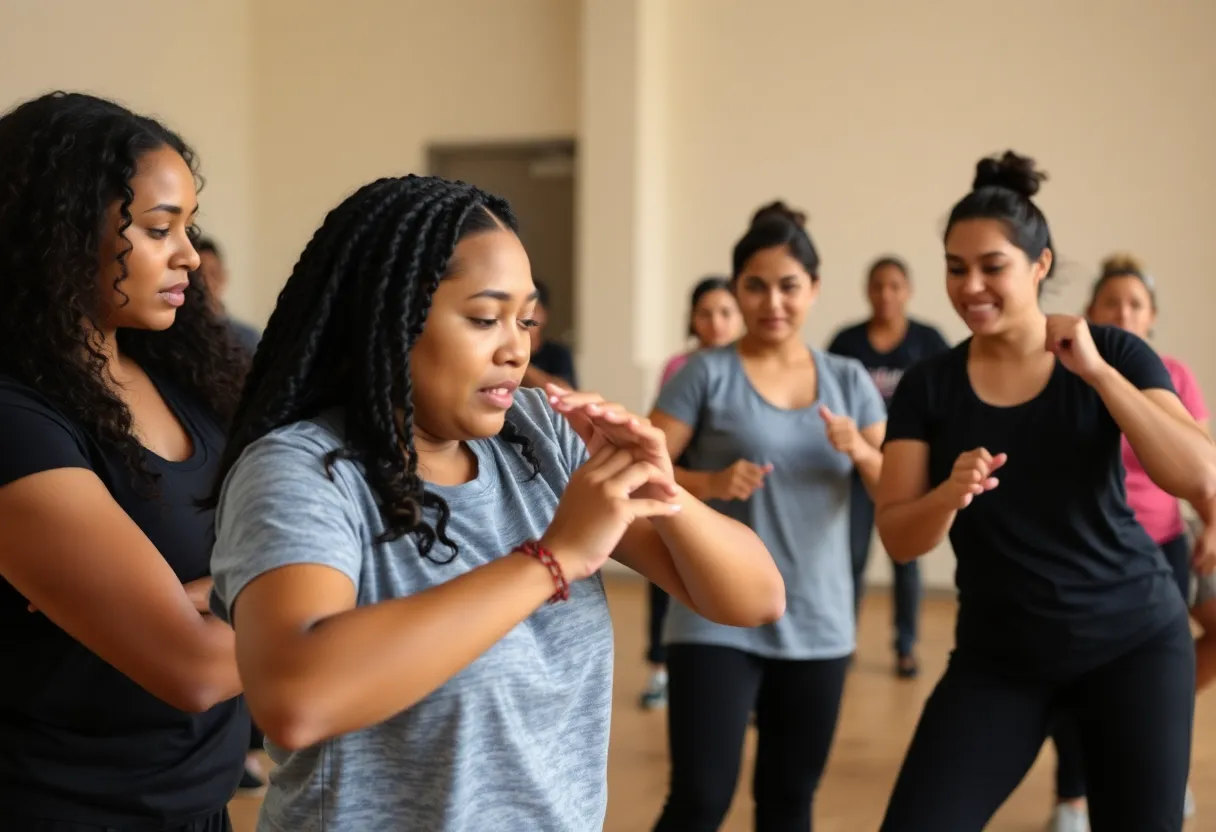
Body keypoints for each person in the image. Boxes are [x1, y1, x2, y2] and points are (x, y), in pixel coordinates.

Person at [205, 174, 785, 832]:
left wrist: (663, 485)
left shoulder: (540, 438)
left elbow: (754, 599)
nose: (517, 350)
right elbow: (295, 697)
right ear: (389, 319)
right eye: (485, 319)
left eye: (526, 319)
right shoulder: (302, 470)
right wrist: (552, 559)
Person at [874, 151, 1216, 831]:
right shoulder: (928, 387)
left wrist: (1097, 375)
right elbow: (897, 537)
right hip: (1000, 659)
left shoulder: (1114, 352)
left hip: (1131, 646)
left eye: (992, 266)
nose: (971, 285)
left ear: (1040, 265)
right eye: (955, 267)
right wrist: (947, 494)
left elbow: (1198, 474)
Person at [0, 92, 249, 831]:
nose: (188, 255)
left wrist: (200, 596)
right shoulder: (16, 420)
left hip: (198, 801)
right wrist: (297, 588)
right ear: (60, 234)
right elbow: (195, 669)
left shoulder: (186, 377)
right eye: (156, 228)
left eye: (188, 227)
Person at [649, 201, 887, 831]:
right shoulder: (705, 373)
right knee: (700, 797)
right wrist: (710, 481)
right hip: (712, 613)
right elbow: (640, 468)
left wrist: (860, 449)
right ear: (737, 290)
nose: (772, 302)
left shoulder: (848, 380)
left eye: (789, 286)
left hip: (818, 619)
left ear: (814, 289)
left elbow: (895, 488)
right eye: (755, 285)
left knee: (788, 801)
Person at [1046, 253, 1216, 831]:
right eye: (1111, 303)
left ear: (1152, 317)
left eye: (1134, 304)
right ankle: (1072, 793)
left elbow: (1199, 460)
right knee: (1081, 671)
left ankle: (1154, 759)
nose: (1122, 312)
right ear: (1090, 313)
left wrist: (1211, 524)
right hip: (1088, 552)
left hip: (1163, 545)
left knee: (1154, 675)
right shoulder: (1070, 372)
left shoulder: (1172, 374)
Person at [827, 256, 950, 677]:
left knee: (906, 557)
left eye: (895, 286)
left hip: (910, 470)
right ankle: (844, 639)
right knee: (853, 555)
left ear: (908, 291)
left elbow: (949, 402)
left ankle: (905, 646)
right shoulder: (846, 343)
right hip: (859, 469)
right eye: (878, 285)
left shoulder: (928, 342)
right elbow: (826, 400)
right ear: (867, 290)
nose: (886, 294)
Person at [641, 275, 742, 710]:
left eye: (725, 313)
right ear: (693, 320)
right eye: (706, 313)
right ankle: (661, 669)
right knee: (665, 581)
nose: (716, 323)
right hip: (680, 491)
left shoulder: (747, 371)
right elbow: (659, 441)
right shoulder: (678, 369)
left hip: (734, 497)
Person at [195, 237, 262, 353]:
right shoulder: (178, 336)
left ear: (224, 277)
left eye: (213, 274)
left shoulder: (248, 339)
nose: (206, 283)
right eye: (198, 275)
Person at [522, 278, 578, 389]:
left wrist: (522, 366)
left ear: (544, 315)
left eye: (530, 309)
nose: (522, 317)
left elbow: (565, 393)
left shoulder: (558, 354)